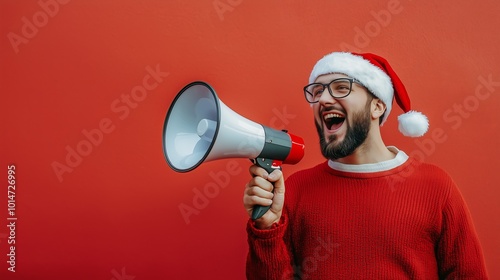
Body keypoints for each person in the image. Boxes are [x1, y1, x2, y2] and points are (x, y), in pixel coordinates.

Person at [242, 52, 488, 279]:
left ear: (377, 106)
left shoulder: (435, 185)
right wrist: (266, 229)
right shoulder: (296, 189)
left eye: (340, 88)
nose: (323, 100)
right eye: (317, 92)